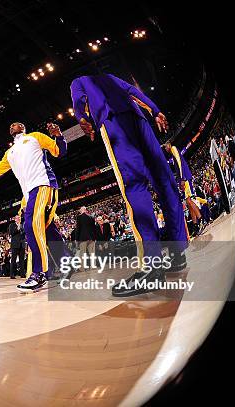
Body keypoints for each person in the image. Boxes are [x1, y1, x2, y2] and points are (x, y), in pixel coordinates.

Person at [70, 73, 188, 297]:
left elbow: (79, 102)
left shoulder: (78, 81)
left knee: (134, 187)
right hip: (139, 118)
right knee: (164, 182)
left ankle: (152, 266)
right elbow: (134, 92)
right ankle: (177, 254)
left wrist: (81, 118)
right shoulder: (109, 77)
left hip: (112, 121)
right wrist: (155, 110)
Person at [0, 122, 68, 292]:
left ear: (24, 128)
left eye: (19, 124)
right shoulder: (9, 153)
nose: (14, 125)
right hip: (29, 194)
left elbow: (59, 151)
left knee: (31, 227)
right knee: (47, 229)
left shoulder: (35, 137)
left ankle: (39, 273)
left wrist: (58, 136)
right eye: (12, 124)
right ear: (9, 131)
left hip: (43, 185)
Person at [164, 142, 203, 236]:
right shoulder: (172, 155)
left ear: (168, 145)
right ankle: (195, 225)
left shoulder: (173, 148)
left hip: (185, 178)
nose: (165, 149)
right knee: (188, 204)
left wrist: (182, 178)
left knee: (189, 201)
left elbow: (180, 163)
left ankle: (201, 219)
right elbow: (173, 162)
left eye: (165, 147)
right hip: (183, 179)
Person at [74, 206, 96, 272]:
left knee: (82, 254)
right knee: (92, 253)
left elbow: (78, 229)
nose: (79, 211)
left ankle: (82, 268)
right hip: (91, 238)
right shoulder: (91, 217)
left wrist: (76, 239)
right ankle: (93, 266)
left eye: (80, 209)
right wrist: (94, 238)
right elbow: (94, 228)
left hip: (83, 238)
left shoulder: (79, 217)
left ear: (82, 210)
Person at [8, 214, 26, 279]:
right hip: (15, 245)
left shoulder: (23, 225)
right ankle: (12, 274)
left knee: (22, 260)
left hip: (22, 244)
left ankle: (22, 274)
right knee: (13, 260)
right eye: (17, 218)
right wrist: (17, 228)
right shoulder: (11, 225)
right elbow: (11, 233)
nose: (19, 219)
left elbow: (24, 233)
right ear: (15, 219)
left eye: (19, 218)